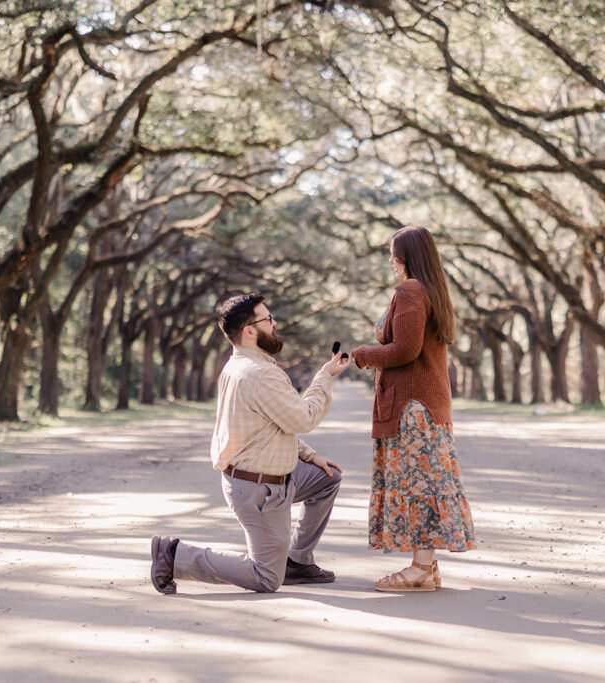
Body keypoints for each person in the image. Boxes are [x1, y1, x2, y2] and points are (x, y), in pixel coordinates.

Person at [150, 293, 351, 594]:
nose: (275, 323)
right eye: (268, 319)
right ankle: (175, 555)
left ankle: (296, 560)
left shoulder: (236, 365)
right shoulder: (262, 374)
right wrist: (324, 376)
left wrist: (310, 455)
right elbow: (303, 419)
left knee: (327, 478)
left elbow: (269, 426)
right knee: (267, 578)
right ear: (250, 331)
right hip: (261, 490)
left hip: (266, 476)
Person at [351, 226, 476, 592]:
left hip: (412, 409)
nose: (391, 260)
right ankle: (427, 565)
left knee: (417, 485)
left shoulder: (410, 290)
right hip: (425, 407)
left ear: (408, 256)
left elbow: (405, 349)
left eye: (395, 253)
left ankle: (420, 568)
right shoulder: (430, 291)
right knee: (424, 482)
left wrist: (362, 356)